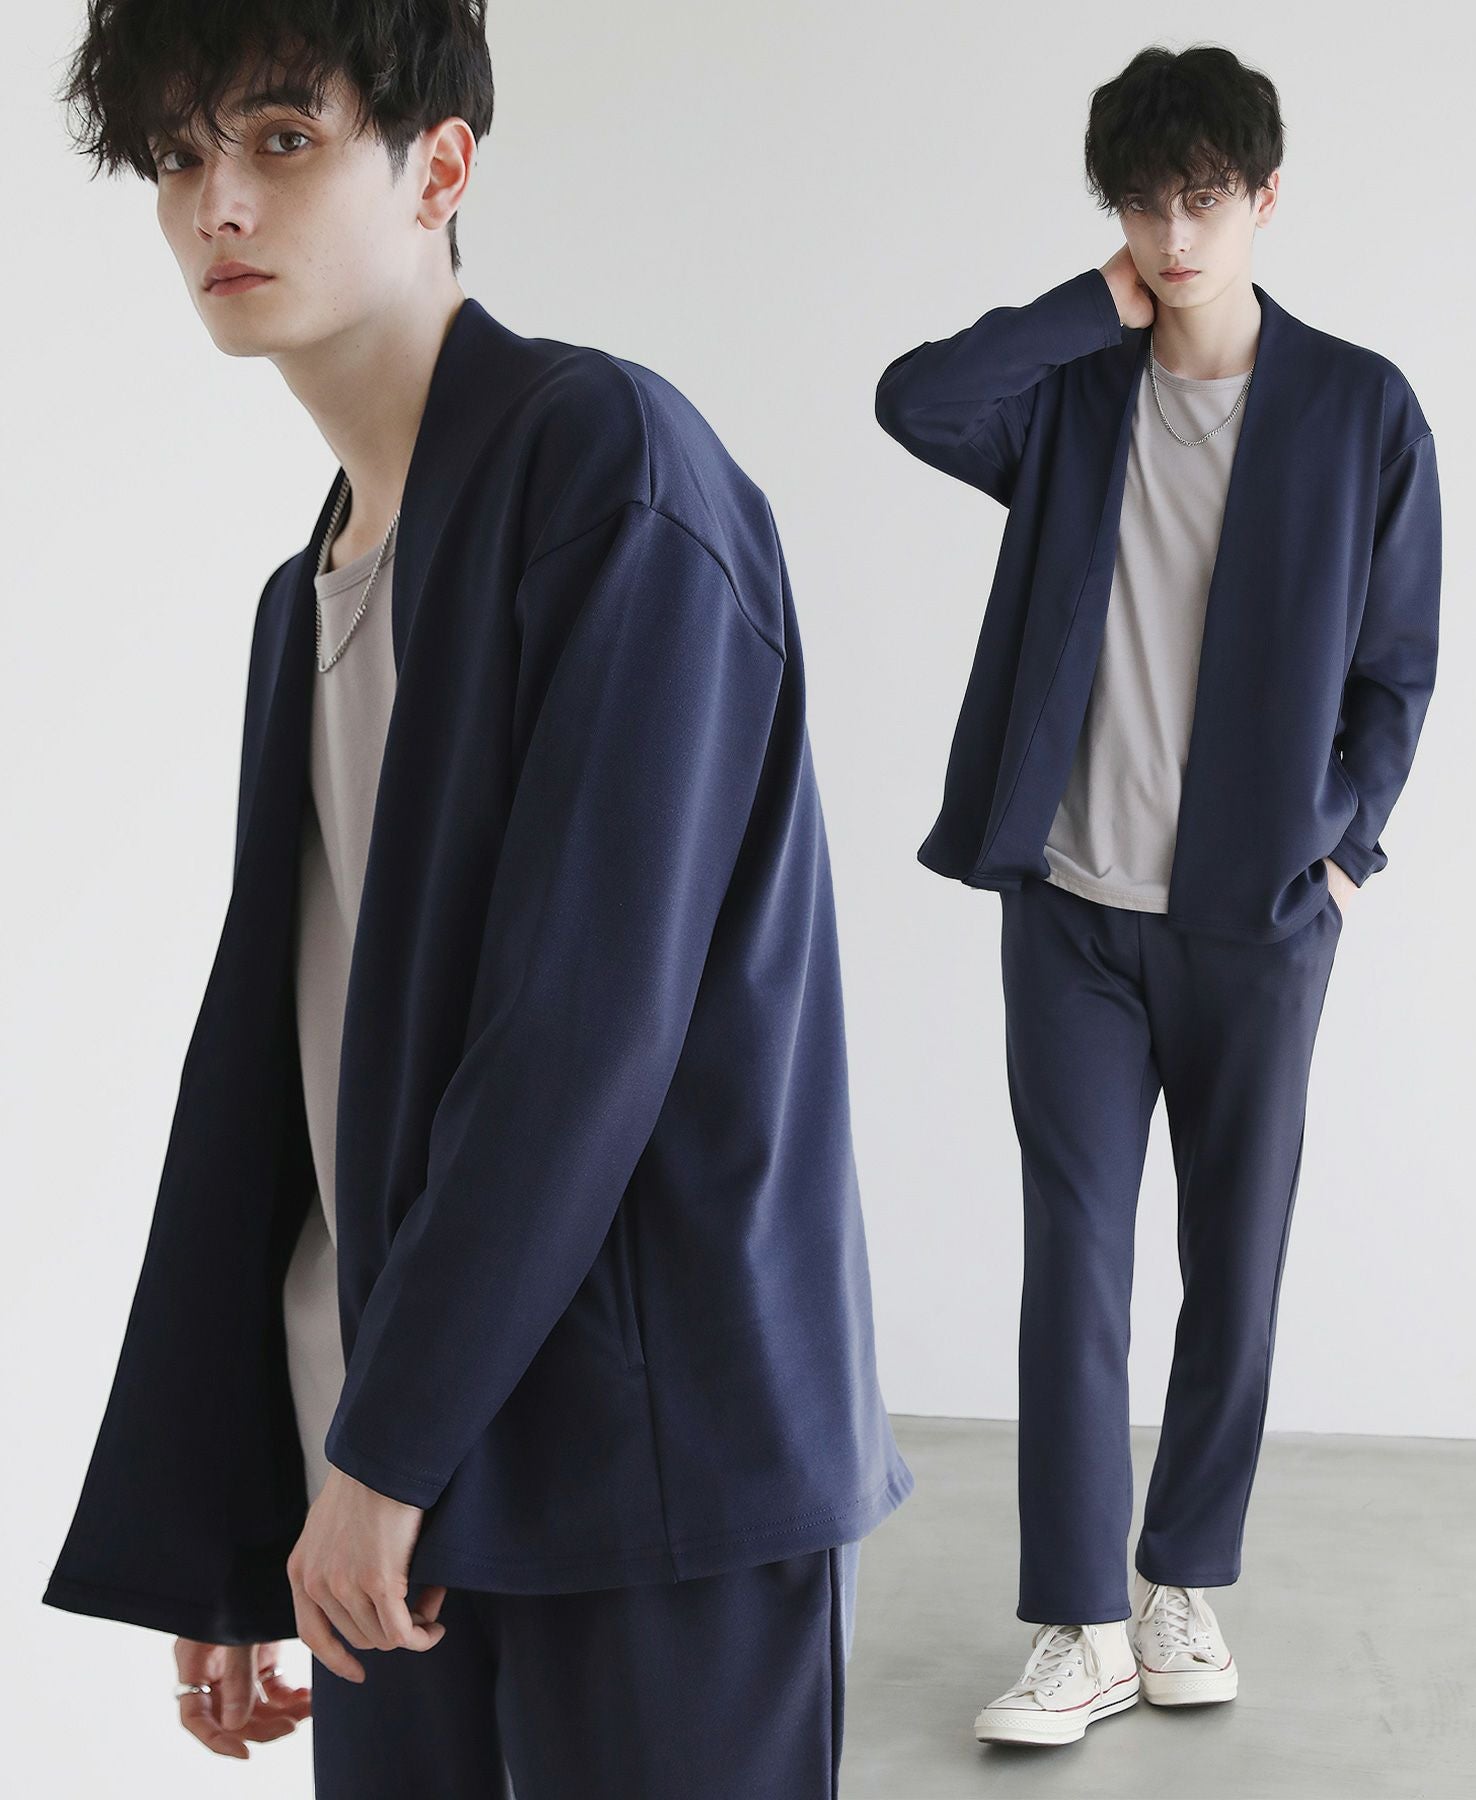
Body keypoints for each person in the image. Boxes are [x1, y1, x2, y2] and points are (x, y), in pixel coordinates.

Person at [42, 4, 913, 1793]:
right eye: (180, 157)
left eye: (281, 140)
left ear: (440, 166)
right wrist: (250, 1504)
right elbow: (275, 1075)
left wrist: (378, 1458)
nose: (217, 204)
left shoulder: (611, 470)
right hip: (385, 1487)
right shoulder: (307, 594)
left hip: (637, 1476)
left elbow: (584, 1027)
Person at [874, 43, 1440, 1749]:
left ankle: (1184, 1574)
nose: (1174, 235)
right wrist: (1085, 307)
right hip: (1068, 909)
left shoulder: (1359, 410)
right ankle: (1083, 1622)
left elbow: (1396, 671)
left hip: (1256, 921)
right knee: (1075, 1263)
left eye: (1203, 199)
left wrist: (1338, 852)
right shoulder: (1071, 394)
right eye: (1143, 202)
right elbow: (915, 399)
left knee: (1233, 1260)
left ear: (1265, 199)